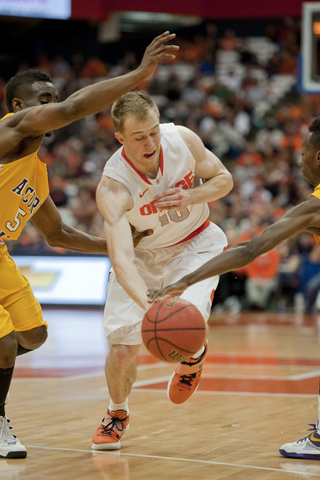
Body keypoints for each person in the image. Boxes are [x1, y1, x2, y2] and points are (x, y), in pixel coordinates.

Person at [0, 31, 179, 459]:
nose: (54, 104)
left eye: (54, 96)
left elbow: (60, 235)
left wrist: (121, 246)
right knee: (4, 343)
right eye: (44, 99)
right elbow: (76, 107)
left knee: (34, 335)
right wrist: (138, 74)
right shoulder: (9, 131)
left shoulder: (36, 172)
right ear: (19, 107)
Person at [148, 116, 320, 460]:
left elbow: (249, 250)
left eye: (304, 152)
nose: (298, 160)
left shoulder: (313, 208)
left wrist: (186, 280)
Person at [93, 91, 233, 450]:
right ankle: (117, 413)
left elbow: (223, 179)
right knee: (123, 350)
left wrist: (192, 196)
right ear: (121, 138)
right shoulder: (113, 187)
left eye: (153, 132)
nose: (150, 142)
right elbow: (122, 259)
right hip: (142, 257)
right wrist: (150, 306)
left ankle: (193, 356)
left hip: (195, 243)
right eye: (139, 137)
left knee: (186, 325)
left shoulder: (182, 139)